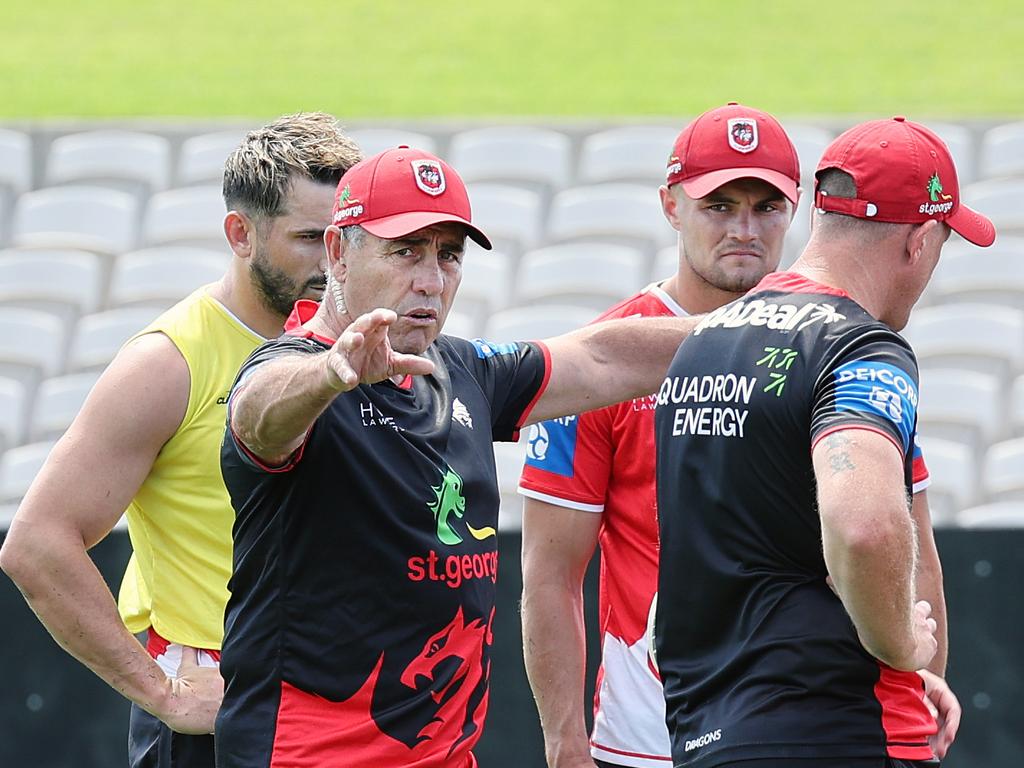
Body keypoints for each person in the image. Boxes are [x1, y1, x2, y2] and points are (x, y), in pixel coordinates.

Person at [215, 146, 703, 768]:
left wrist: (776, 324)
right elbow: (256, 416)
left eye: (448, 254)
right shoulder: (294, 370)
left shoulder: (462, 369)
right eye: (406, 251)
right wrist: (328, 378)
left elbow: (604, 357)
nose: (431, 279)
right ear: (338, 252)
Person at [517, 103, 957, 768]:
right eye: (719, 205)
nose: (744, 229)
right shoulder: (615, 360)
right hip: (659, 736)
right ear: (670, 205)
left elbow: (910, 531)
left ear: (801, 210)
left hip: (754, 722)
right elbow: (551, 573)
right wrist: (564, 742)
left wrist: (912, 676)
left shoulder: (835, 344)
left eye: (765, 206)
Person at [0, 113, 362, 767]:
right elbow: (36, 545)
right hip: (219, 716)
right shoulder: (168, 364)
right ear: (240, 233)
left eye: (344, 236)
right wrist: (161, 693)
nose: (331, 260)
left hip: (341, 705)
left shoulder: (358, 341)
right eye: (310, 237)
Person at [653, 116, 992, 768]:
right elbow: (862, 525)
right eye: (943, 244)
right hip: (837, 729)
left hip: (704, 733)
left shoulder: (704, 341)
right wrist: (902, 648)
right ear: (920, 241)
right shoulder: (860, 346)